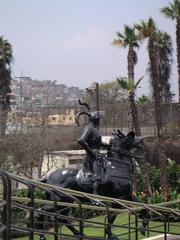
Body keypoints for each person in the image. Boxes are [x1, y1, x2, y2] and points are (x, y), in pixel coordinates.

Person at [75, 102, 109, 181]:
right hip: (91, 158)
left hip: (97, 155)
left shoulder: (95, 129)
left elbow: (97, 143)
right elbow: (81, 140)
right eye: (98, 119)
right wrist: (91, 151)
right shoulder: (89, 128)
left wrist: (109, 146)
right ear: (95, 119)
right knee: (97, 179)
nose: (99, 121)